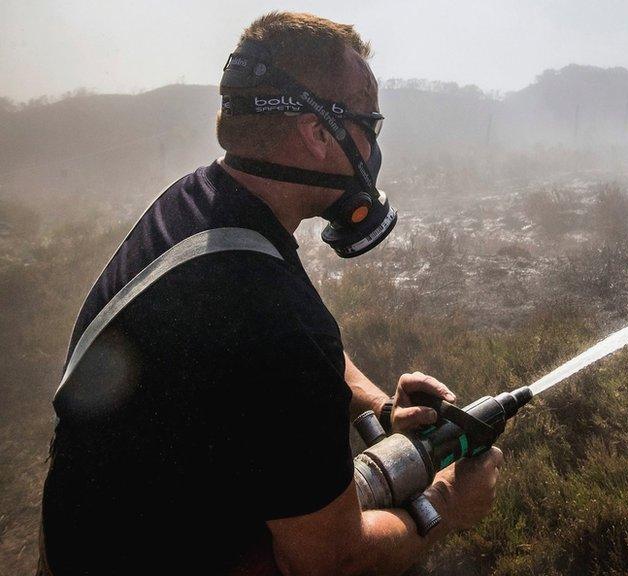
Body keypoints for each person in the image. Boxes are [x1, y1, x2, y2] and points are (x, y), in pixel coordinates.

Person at [39, 11, 503, 576]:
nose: (372, 145)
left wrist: (377, 405)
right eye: (367, 124)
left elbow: (273, 356)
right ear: (316, 134)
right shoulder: (274, 320)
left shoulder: (199, 205)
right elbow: (335, 562)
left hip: (82, 539)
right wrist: (449, 504)